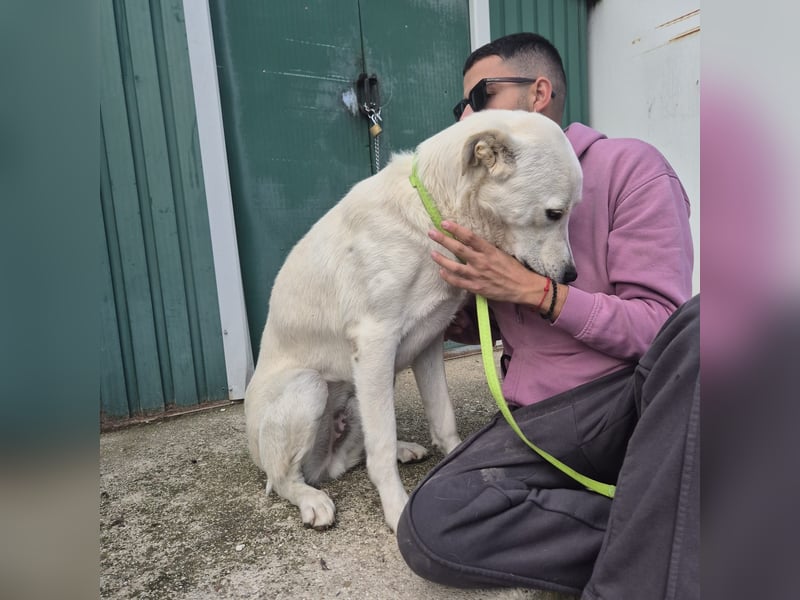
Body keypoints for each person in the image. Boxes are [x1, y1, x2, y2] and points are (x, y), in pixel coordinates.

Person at [396, 33, 698, 599]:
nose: (468, 116)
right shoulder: (491, 197)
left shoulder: (630, 166)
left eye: (481, 96)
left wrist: (539, 292)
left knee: (707, 328)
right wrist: (446, 307)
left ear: (539, 93)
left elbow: (664, 329)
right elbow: (484, 324)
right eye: (462, 106)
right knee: (432, 523)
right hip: (543, 423)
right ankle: (673, 532)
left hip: (626, 401)